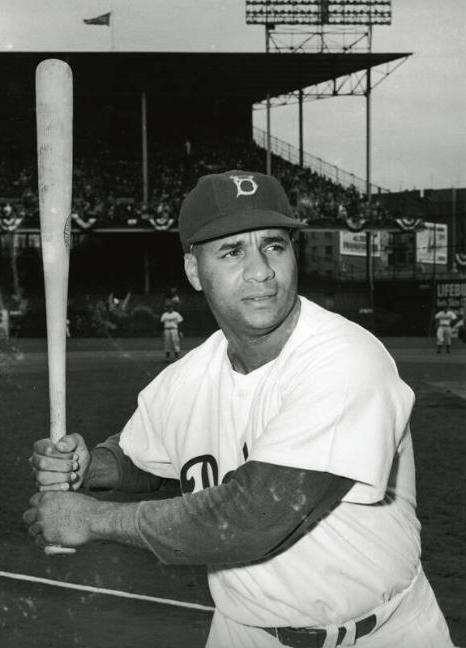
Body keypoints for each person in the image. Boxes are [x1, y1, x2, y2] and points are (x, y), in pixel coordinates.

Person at [25, 170, 453, 648]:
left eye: (274, 245)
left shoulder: (347, 358)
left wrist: (93, 518)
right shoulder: (186, 379)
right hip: (244, 634)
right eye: (233, 252)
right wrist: (89, 466)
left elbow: (255, 518)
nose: (261, 271)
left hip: (384, 632)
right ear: (193, 270)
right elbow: (141, 457)